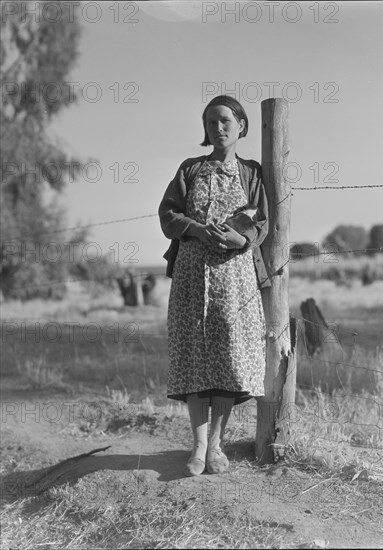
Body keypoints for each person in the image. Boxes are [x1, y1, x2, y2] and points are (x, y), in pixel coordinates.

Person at [158, 95, 270, 477]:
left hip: (235, 280)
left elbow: (262, 219)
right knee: (193, 356)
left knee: (227, 358)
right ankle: (199, 445)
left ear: (241, 125)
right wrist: (196, 229)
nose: (218, 128)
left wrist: (243, 239)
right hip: (192, 275)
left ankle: (218, 446)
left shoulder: (252, 172)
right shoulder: (190, 169)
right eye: (210, 123)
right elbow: (168, 214)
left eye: (225, 121)